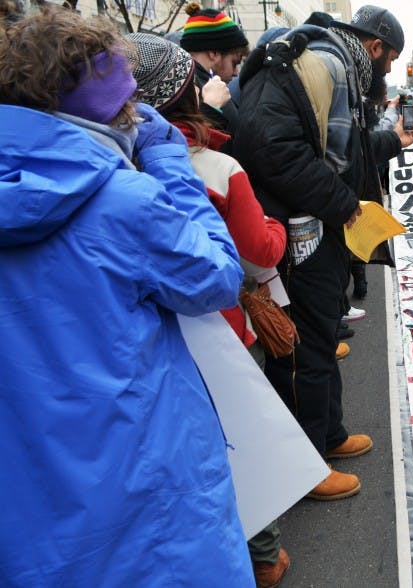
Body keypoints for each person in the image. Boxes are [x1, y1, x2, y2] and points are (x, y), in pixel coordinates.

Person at [0, 10, 251, 585]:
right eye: (129, 99)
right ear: (109, 109)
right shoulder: (124, 201)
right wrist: (167, 164)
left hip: (28, 513)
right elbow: (215, 276)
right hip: (144, 489)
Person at [233, 5, 413, 500]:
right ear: (373, 46)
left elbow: (346, 149)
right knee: (303, 348)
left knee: (318, 337)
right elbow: (273, 148)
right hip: (300, 235)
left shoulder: (334, 67)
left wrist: (387, 145)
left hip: (319, 231)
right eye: (390, 59)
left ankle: (327, 435)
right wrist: (343, 206)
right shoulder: (316, 63)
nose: (389, 72)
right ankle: (305, 462)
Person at [129, 32, 292, 587]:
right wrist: (275, 226)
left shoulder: (111, 173)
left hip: (145, 348)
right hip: (222, 333)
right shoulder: (218, 168)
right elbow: (257, 251)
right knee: (240, 438)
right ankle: (264, 553)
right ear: (192, 95)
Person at [179, 3, 249, 139]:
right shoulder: (190, 88)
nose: (235, 73)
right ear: (214, 53)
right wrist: (212, 109)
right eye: (234, 63)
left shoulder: (190, 81)